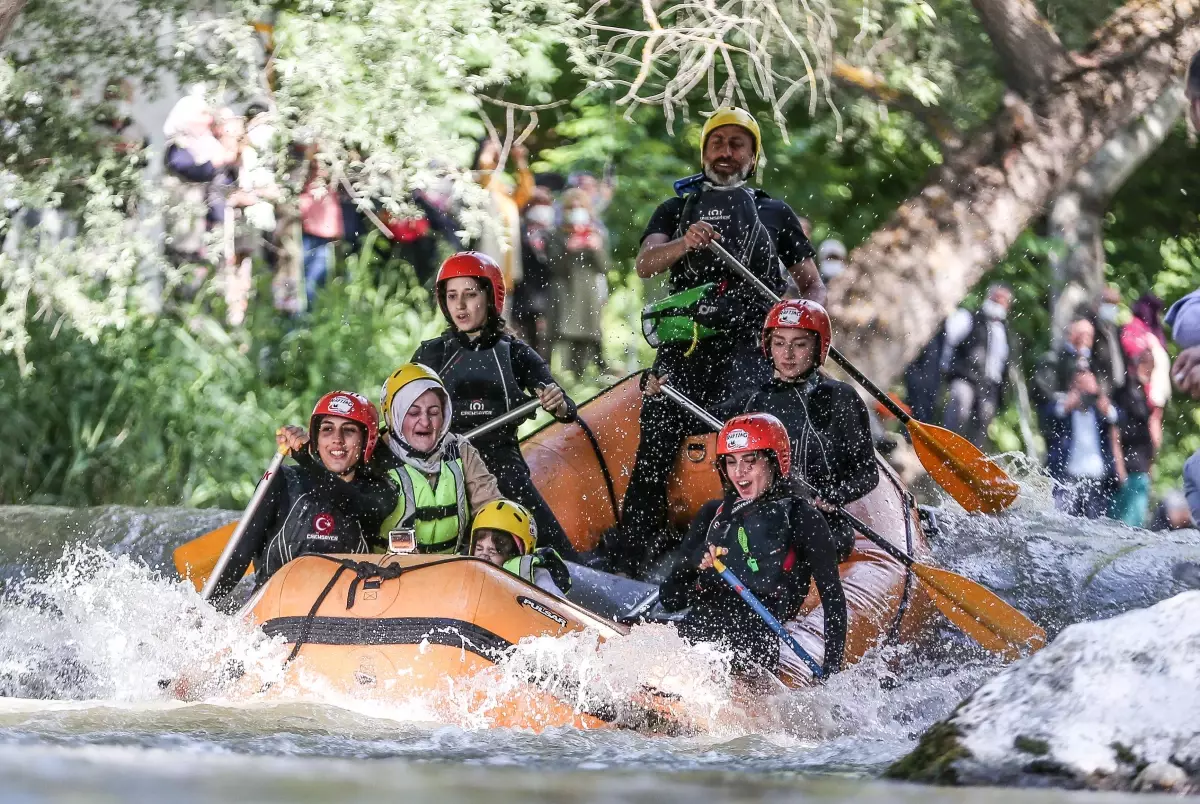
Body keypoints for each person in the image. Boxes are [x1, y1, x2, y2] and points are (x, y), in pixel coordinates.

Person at [608, 107, 823, 578]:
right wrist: (685, 243)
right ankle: (631, 556)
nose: (725, 152)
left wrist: (807, 325)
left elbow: (812, 285)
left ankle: (749, 549)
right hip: (686, 348)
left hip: (751, 347)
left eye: (737, 144)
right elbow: (646, 264)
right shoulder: (675, 209)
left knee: (746, 436)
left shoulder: (774, 212)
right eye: (717, 143)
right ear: (705, 151)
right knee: (658, 431)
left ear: (753, 154)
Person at [411, 252, 580, 559]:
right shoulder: (432, 355)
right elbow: (401, 411)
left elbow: (567, 409)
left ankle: (568, 570)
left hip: (501, 460)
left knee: (527, 506)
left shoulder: (515, 353)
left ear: (490, 297)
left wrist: (557, 404)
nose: (460, 306)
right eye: (452, 296)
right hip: (447, 460)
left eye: (470, 295)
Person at [659, 413, 847, 677]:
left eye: (750, 461)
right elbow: (670, 598)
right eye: (731, 462)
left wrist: (831, 670)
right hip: (699, 628)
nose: (739, 472)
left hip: (754, 641)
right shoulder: (714, 514)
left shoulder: (802, 518)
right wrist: (694, 563)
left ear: (774, 462)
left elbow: (833, 598)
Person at [714, 299, 878, 561]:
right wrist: (656, 391)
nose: (787, 353)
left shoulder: (840, 398)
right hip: (762, 526)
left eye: (799, 344)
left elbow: (868, 474)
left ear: (818, 347)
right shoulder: (751, 402)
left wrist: (836, 496)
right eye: (779, 343)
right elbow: (693, 417)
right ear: (768, 347)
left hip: (822, 527)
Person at [208, 391, 397, 603]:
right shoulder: (281, 481)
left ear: (366, 440)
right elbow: (240, 555)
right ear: (316, 439)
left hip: (343, 612)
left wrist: (306, 458)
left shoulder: (381, 489)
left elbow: (355, 505)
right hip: (278, 608)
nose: (337, 439)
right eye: (327, 429)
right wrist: (205, 607)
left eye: (349, 430)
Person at [374, 363, 504, 553]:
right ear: (394, 415)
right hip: (384, 575)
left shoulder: (460, 450)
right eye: (413, 413)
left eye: (434, 412)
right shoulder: (372, 454)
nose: (425, 422)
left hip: (449, 573)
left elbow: (491, 508)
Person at [1035, 319, 1119, 518]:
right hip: (1066, 473)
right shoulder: (1056, 361)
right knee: (1061, 522)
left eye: (1089, 336)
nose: (1085, 340)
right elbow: (1046, 409)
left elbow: (1117, 417)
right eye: (1080, 334)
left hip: (1097, 476)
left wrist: (1100, 400)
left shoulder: (1099, 408)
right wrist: (1068, 402)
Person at [940, 284, 1013, 449]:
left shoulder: (1005, 331)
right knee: (960, 404)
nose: (999, 303)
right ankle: (946, 445)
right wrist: (945, 367)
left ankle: (970, 460)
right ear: (989, 297)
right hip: (965, 376)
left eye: (1004, 301)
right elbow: (949, 342)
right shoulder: (970, 318)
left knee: (983, 419)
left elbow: (1003, 363)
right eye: (996, 298)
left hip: (989, 385)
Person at [547, 188, 609, 375]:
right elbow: (554, 268)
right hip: (566, 293)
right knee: (567, 333)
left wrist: (596, 249)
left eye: (580, 206)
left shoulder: (595, 233)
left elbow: (605, 268)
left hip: (588, 292)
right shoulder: (556, 234)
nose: (575, 210)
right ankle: (566, 373)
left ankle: (588, 372)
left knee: (590, 332)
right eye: (571, 207)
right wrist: (568, 249)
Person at [469, 499, 572, 597]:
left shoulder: (538, 580)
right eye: (479, 549)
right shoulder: (462, 568)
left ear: (516, 553)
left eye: (493, 552)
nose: (483, 557)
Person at [1110, 350, 1156, 527]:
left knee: (1133, 521)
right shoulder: (1125, 393)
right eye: (1147, 367)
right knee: (1127, 525)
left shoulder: (1141, 393)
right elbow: (1115, 433)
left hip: (1140, 466)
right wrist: (1119, 466)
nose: (1150, 372)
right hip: (1129, 468)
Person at [1090, 284, 1127, 396]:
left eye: (1114, 305)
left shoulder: (1116, 330)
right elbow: (1092, 361)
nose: (1111, 309)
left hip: (1118, 390)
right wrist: (1101, 389)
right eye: (1108, 303)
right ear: (1098, 306)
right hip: (1100, 392)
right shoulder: (1093, 331)